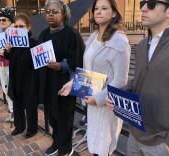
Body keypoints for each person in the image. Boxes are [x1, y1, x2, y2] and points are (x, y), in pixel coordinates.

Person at [106, 0, 169, 155]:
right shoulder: (141, 46)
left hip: (162, 143)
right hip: (135, 135)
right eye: (142, 3)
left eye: (152, 3)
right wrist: (118, 93)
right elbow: (141, 81)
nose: (143, 8)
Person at [59, 0, 131, 155]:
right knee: (94, 144)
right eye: (96, 8)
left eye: (104, 8)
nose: (98, 11)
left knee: (103, 147)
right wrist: (73, 83)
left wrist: (97, 98)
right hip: (90, 101)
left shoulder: (120, 41)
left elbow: (120, 81)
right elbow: (87, 69)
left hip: (106, 105)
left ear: (113, 13)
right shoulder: (93, 37)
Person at [37, 0, 85, 155]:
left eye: (55, 12)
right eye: (48, 12)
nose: (50, 14)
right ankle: (56, 143)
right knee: (52, 117)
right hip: (47, 83)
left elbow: (78, 58)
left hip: (65, 84)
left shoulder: (72, 34)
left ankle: (66, 149)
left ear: (63, 14)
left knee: (65, 118)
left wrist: (61, 65)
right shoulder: (43, 34)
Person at [0, 13, 38, 138]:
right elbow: (11, 58)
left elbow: (36, 63)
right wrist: (6, 52)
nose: (18, 29)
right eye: (16, 26)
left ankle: (32, 129)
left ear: (28, 27)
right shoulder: (12, 42)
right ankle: (19, 126)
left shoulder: (33, 42)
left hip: (29, 79)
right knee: (17, 103)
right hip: (15, 77)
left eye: (21, 27)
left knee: (30, 106)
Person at [0, 7, 15, 122]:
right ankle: (11, 111)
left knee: (13, 88)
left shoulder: (16, 33)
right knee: (5, 88)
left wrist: (9, 51)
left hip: (12, 65)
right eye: (0, 20)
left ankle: (17, 111)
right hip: (2, 65)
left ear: (11, 21)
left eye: (4, 20)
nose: (1, 22)